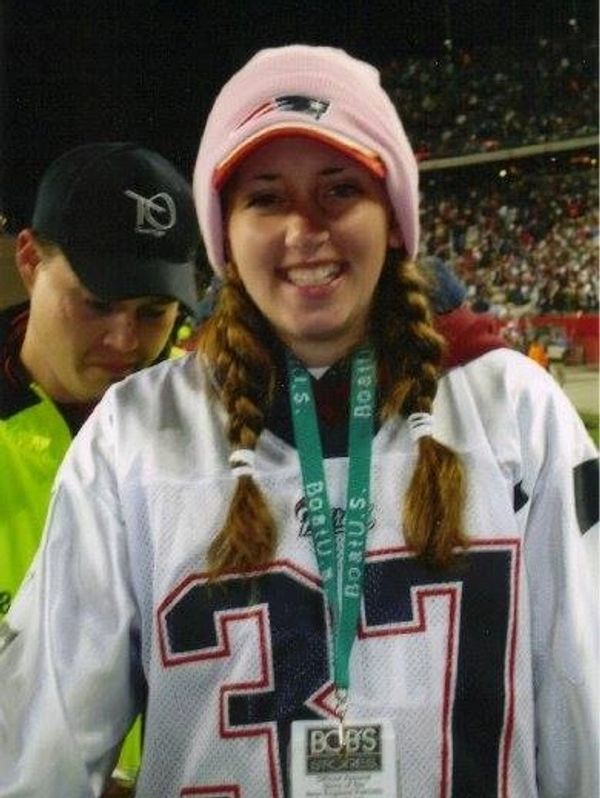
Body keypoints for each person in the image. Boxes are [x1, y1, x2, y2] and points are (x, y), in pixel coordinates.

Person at [0, 46, 597, 798]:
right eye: (266, 197)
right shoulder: (133, 434)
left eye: (339, 190)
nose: (303, 229)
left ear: (393, 217)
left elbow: (587, 717)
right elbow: (34, 755)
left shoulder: (519, 414)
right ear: (224, 232)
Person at [0, 141, 199, 791]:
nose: (125, 342)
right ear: (29, 260)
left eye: (153, 313)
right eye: (95, 304)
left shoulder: (211, 437)